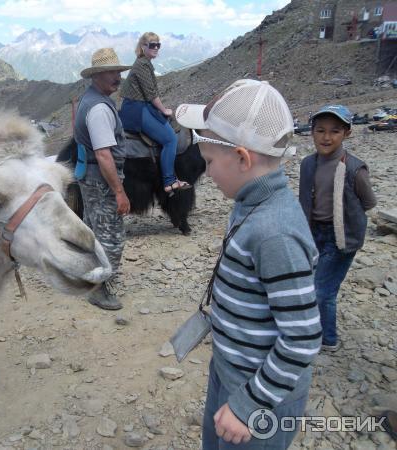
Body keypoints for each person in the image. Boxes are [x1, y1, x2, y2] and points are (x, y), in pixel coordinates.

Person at [175, 79, 321, 449]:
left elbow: (302, 337)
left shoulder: (275, 234)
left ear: (242, 158)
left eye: (208, 162)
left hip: (259, 398)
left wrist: (248, 404)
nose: (206, 173)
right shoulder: (248, 202)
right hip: (230, 370)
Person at [299, 105, 377, 352]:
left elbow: (369, 203)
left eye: (334, 131)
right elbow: (304, 200)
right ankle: (312, 327)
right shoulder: (307, 164)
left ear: (347, 133)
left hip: (341, 237)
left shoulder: (355, 168)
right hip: (314, 233)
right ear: (311, 132)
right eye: (320, 130)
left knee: (323, 290)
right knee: (311, 283)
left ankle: (328, 339)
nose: (326, 137)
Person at [74, 47, 132, 310]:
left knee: (92, 228)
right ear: (97, 76)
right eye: (111, 72)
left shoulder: (91, 100)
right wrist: (119, 191)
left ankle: (86, 276)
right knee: (111, 236)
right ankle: (98, 288)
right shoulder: (99, 108)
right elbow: (104, 154)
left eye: (118, 72)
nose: (117, 77)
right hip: (101, 179)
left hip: (91, 177)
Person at [119, 32, 191, 196]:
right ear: (143, 46)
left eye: (158, 44)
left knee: (165, 127)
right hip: (136, 109)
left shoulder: (145, 63)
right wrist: (164, 110)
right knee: (170, 139)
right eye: (152, 45)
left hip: (141, 106)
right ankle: (169, 181)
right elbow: (151, 94)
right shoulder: (142, 66)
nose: (156, 48)